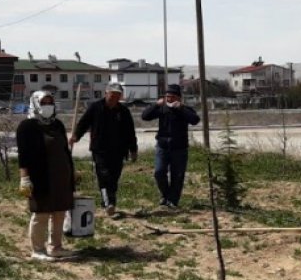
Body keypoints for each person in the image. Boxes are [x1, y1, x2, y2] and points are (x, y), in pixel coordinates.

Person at [16, 90, 77, 262]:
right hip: (41, 177)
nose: (47, 106)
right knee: (41, 213)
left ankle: (56, 247)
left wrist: (72, 172)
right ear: (35, 104)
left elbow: (65, 150)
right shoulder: (27, 127)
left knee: (59, 212)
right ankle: (38, 249)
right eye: (43, 103)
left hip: (61, 176)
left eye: (50, 102)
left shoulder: (57, 124)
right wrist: (24, 178)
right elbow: (24, 155)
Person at [70, 82, 138, 219]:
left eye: (118, 96)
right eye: (113, 95)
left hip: (119, 151)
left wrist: (133, 149)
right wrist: (76, 136)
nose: (115, 98)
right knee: (103, 175)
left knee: (114, 178)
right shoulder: (95, 107)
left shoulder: (123, 111)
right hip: (99, 149)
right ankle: (109, 204)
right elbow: (84, 123)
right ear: (106, 93)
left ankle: (108, 200)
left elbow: (130, 132)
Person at [141, 83, 199, 209]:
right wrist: (156, 104)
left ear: (178, 98)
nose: (169, 99)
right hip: (162, 147)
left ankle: (173, 201)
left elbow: (195, 120)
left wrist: (181, 108)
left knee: (177, 176)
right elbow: (145, 116)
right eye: (167, 96)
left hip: (180, 148)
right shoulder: (162, 109)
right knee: (159, 172)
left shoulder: (185, 110)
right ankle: (165, 195)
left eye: (172, 97)